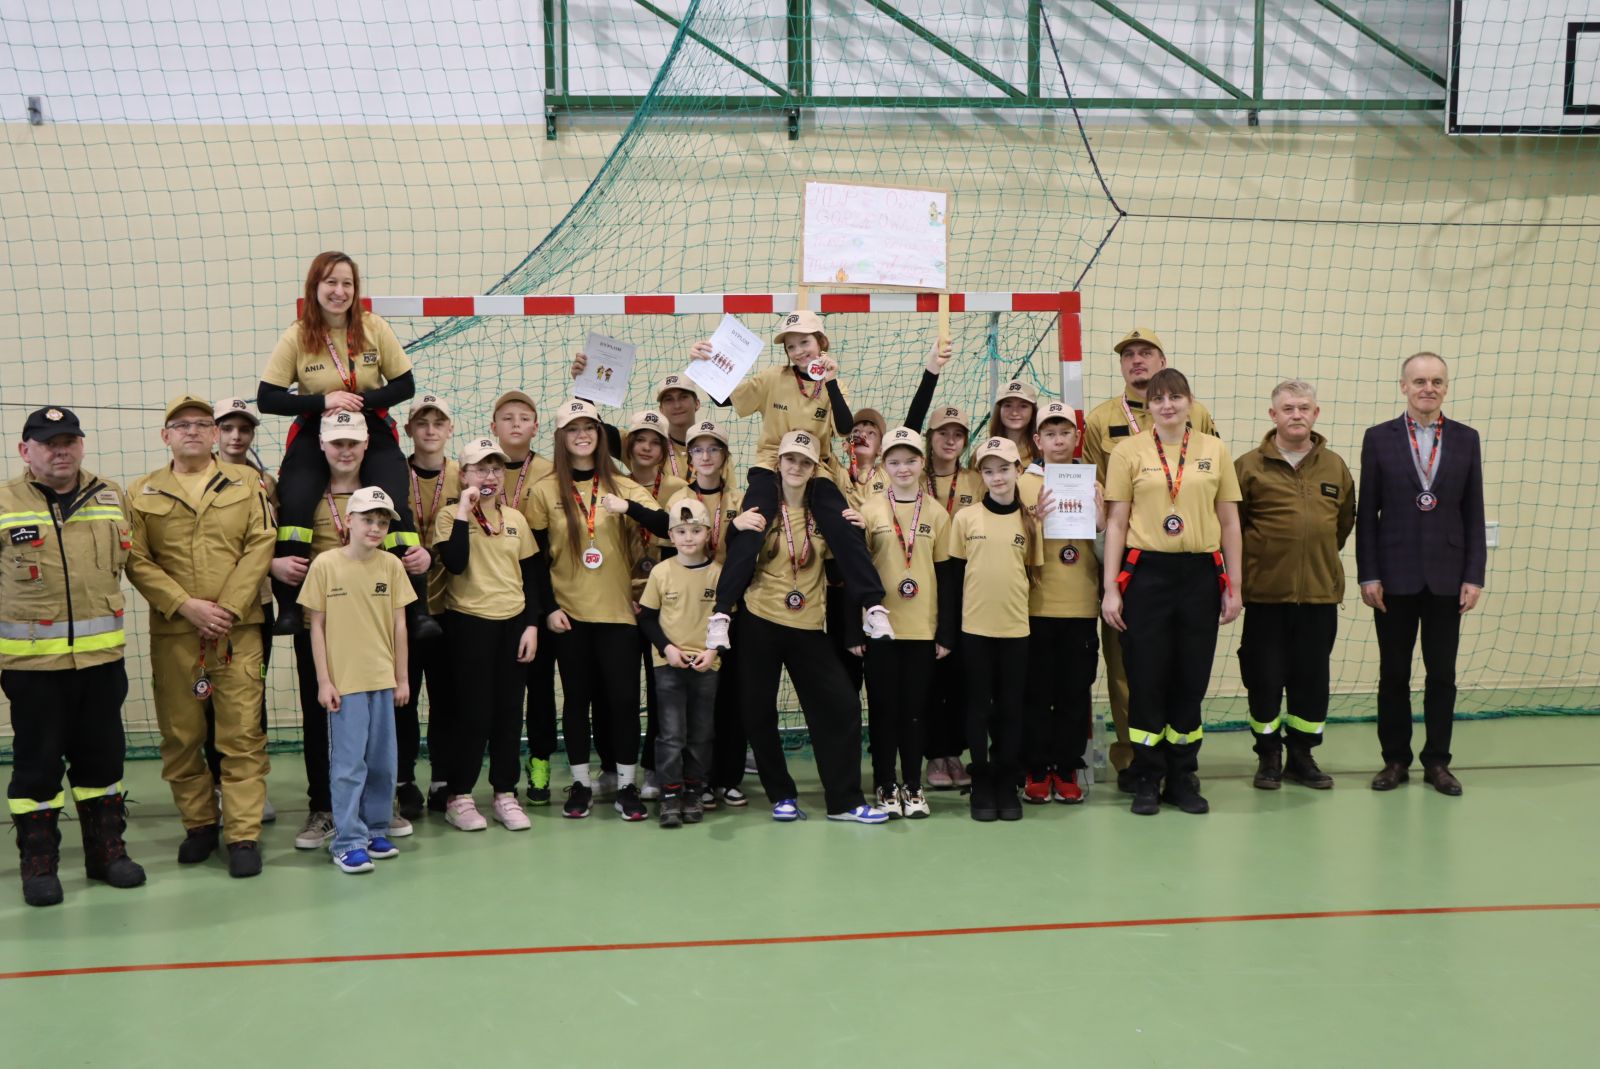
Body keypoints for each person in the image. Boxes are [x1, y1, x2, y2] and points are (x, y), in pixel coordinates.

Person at [126, 394, 274, 879]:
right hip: (176, 630)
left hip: (237, 630)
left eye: (201, 423)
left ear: (214, 434)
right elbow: (136, 560)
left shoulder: (246, 482)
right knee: (182, 735)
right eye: (180, 424)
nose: (191, 430)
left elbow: (261, 544)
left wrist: (227, 607)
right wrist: (186, 605)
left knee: (242, 734)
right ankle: (199, 825)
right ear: (165, 436)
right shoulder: (142, 491)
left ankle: (243, 834)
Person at [3, 406, 145, 906]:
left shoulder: (110, 496)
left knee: (102, 761)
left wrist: (185, 604)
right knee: (36, 767)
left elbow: (137, 564)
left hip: (101, 663)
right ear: (25, 451)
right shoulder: (4, 502)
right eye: (48, 443)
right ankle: (39, 863)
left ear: (82, 445)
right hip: (32, 669)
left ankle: (106, 854)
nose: (60, 451)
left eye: (69, 441)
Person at [256, 251, 436, 641]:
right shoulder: (298, 334)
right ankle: (290, 609)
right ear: (315, 287)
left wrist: (360, 401)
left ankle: (417, 609)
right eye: (331, 283)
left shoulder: (373, 327)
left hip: (368, 423)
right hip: (317, 426)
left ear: (356, 289)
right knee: (296, 499)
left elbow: (405, 385)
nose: (339, 291)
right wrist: (324, 400)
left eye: (347, 284)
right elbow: (267, 398)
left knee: (393, 499)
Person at [690, 309, 893, 649]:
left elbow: (845, 428)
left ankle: (873, 606)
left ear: (821, 342)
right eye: (791, 346)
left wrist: (830, 381)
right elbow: (727, 398)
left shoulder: (834, 384)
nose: (799, 351)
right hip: (772, 464)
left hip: (815, 469)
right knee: (751, 525)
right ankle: (722, 613)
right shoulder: (774, 378)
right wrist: (705, 365)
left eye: (805, 343)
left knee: (844, 525)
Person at [281, 411, 432, 850]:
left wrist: (423, 556)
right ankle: (326, 809)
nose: (345, 451)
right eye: (337, 443)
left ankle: (379, 810)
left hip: (376, 630)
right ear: (322, 446)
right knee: (321, 719)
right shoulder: (301, 492)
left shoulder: (385, 496)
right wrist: (274, 564)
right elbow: (275, 541)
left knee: (386, 726)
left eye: (353, 443)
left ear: (366, 446)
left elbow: (409, 546)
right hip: (324, 625)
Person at [1083, 327, 1219, 790]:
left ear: (1163, 361)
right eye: (1129, 355)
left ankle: (1179, 766)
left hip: (1187, 560)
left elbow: (1214, 494)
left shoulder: (1198, 415)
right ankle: (1135, 761)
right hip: (1127, 560)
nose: (1137, 360)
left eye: (1146, 353)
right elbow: (1097, 495)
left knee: (1185, 666)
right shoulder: (1101, 420)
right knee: (1129, 665)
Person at [1101, 369, 1241, 817]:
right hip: (1146, 575)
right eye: (1158, 399)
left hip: (1200, 574)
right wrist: (1110, 589)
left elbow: (1230, 522)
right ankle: (1147, 775)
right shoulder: (1128, 452)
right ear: (1149, 407)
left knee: (1190, 677)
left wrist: (1234, 586)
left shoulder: (1214, 450)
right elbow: (1116, 523)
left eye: (1175, 397)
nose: (1167, 405)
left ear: (1189, 401)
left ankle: (1182, 775)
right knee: (1146, 677)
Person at [730, 429, 888, 825]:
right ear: (778, 463)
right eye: (790, 459)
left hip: (808, 626)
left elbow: (846, 560)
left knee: (842, 705)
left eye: (805, 462)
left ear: (815, 468)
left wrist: (860, 526)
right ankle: (781, 795)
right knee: (757, 712)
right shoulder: (759, 505)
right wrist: (734, 526)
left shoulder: (826, 512)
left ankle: (844, 801)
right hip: (759, 621)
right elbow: (728, 550)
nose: (797, 467)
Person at [525, 399, 669, 821]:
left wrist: (630, 508)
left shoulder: (622, 485)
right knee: (576, 702)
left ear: (600, 435)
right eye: (573, 429)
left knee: (623, 701)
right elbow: (533, 561)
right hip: (568, 616)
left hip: (618, 615)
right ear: (561, 438)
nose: (582, 435)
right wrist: (548, 609)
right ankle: (581, 784)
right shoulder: (545, 490)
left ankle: (626, 785)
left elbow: (666, 524)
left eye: (589, 427)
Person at [1358, 352, 1485, 796]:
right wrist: (1368, 574)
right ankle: (1395, 760)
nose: (1428, 388)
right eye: (1419, 381)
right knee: (1393, 674)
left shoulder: (1467, 439)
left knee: (1442, 675)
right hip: (1393, 577)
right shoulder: (1379, 438)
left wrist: (1474, 576)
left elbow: (1473, 511)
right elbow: (1366, 513)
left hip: (1448, 578)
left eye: (1436, 381)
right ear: (1404, 386)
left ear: (1445, 387)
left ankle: (1438, 762)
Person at [1235, 380, 1355, 791]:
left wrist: (1314, 559)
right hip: (1265, 597)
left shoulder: (1335, 466)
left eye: (1304, 407)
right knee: (1264, 679)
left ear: (1316, 413)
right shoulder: (1248, 466)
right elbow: (1233, 527)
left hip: (1319, 596)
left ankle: (1302, 756)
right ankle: (1268, 755)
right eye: (1288, 408)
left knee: (1311, 681)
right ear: (1273, 415)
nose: (1297, 414)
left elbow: (1343, 524)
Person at [300, 487, 414, 874]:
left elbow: (399, 625)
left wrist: (401, 677)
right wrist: (324, 681)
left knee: (383, 762)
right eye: (368, 519)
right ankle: (347, 840)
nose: (376, 527)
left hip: (382, 679)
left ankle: (375, 829)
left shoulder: (391, 566)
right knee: (349, 765)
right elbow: (317, 627)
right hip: (345, 684)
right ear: (348, 520)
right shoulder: (325, 564)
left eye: (382, 522)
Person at [432, 438, 541, 831]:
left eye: (496, 468)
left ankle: (505, 794)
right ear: (464, 475)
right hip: (469, 622)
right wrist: (465, 508)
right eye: (480, 469)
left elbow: (532, 576)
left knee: (509, 713)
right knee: (472, 713)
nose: (490, 476)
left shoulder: (516, 519)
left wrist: (531, 625)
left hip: (513, 623)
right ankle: (459, 796)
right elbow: (456, 563)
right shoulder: (449, 517)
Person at [856, 427, 956, 818]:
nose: (903, 468)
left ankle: (913, 785)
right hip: (880, 629)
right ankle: (885, 782)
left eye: (910, 461)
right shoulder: (869, 510)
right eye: (895, 462)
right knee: (883, 710)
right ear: (884, 465)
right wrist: (856, 628)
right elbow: (857, 574)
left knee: (916, 711)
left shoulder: (937, 513)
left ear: (922, 464)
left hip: (921, 629)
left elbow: (946, 576)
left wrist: (945, 631)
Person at [946, 437, 1042, 822]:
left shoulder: (1030, 522)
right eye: (988, 471)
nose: (997, 477)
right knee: (978, 707)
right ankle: (982, 779)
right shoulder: (965, 519)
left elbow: (1031, 576)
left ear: (1018, 470)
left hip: (1016, 631)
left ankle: (1006, 778)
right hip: (974, 631)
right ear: (981, 475)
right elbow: (954, 580)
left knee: (1010, 708)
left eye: (1004, 469)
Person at [1017, 401, 1104, 805]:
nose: (1057, 440)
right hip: (1034, 606)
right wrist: (1033, 520)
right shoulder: (1021, 484)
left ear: (1076, 437)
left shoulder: (1094, 484)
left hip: (1081, 604)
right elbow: (1011, 546)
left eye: (1065, 432)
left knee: (1074, 692)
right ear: (1037, 440)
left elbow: (1105, 552)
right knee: (1036, 692)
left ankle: (1067, 767)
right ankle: (1036, 768)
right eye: (1049, 434)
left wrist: (1101, 524)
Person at [666, 418, 751, 809]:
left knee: (732, 695)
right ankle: (692, 780)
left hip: (731, 609)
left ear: (725, 456)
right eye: (698, 449)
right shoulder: (679, 499)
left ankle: (728, 778)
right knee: (692, 701)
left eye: (714, 448)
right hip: (689, 610)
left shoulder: (740, 500)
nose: (706, 456)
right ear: (689, 457)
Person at [210, 396, 277, 824]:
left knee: (251, 697)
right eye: (228, 428)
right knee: (205, 700)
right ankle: (215, 786)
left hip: (255, 606)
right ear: (214, 432)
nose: (236, 436)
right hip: (207, 608)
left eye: (245, 429)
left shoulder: (265, 481)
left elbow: (270, 540)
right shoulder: (195, 476)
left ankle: (250, 787)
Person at [491, 389, 560, 808]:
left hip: (540, 589)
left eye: (524, 418)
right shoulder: (480, 468)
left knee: (540, 684)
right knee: (498, 690)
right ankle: (499, 772)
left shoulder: (552, 471)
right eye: (507, 417)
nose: (516, 424)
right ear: (493, 426)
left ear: (536, 427)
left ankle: (540, 760)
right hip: (492, 595)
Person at [637, 497, 722, 828]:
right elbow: (647, 619)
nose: (689, 537)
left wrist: (713, 652)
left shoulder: (718, 573)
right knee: (671, 734)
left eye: (696, 531)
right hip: (668, 665)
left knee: (701, 733)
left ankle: (694, 791)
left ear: (708, 534)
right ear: (671, 536)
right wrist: (667, 649)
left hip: (707, 665)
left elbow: (727, 621)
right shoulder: (661, 572)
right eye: (681, 531)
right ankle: (670, 794)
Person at [399, 393, 460, 816]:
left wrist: (434, 556)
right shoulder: (391, 474)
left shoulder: (463, 475)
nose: (431, 430)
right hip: (401, 609)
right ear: (409, 430)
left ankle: (443, 779)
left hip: (450, 603)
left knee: (447, 698)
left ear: (450, 429)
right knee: (402, 697)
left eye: (439, 422)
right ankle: (403, 780)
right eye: (422, 422)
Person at [918, 404, 982, 790]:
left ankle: (955, 753)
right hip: (921, 577)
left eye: (958, 434)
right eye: (943, 432)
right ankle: (934, 754)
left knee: (959, 673)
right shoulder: (913, 475)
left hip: (965, 581)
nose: (950, 440)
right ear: (930, 437)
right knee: (929, 671)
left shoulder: (976, 479)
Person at [984, 379, 1041, 468]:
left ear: (1033, 411)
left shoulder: (1045, 451)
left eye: (1023, 406)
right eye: (1008, 405)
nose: (1014, 413)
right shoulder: (983, 452)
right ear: (999, 411)